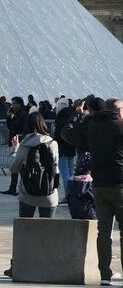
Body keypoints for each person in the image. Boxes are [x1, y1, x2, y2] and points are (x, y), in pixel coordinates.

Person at [83, 97, 123, 287]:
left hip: (99, 185)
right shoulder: (120, 126)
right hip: (120, 185)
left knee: (103, 232)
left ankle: (105, 274)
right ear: (118, 110)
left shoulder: (93, 126)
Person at [9, 112, 59, 218]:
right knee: (47, 230)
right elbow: (55, 167)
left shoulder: (25, 144)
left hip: (27, 193)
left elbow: (14, 167)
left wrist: (14, 150)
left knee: (26, 230)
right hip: (49, 193)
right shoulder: (52, 143)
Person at [1, 97, 27, 196]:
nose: (12, 105)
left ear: (19, 104)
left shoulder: (22, 114)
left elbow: (17, 127)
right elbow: (10, 127)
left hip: (20, 142)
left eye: (14, 103)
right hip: (15, 141)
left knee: (18, 165)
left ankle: (18, 187)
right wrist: (8, 117)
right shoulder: (16, 114)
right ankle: (13, 187)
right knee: (14, 164)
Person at [54, 97, 76, 203]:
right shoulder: (72, 116)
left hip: (62, 149)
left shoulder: (61, 118)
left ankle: (68, 195)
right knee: (71, 173)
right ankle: (72, 194)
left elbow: (58, 134)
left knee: (65, 174)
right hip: (71, 147)